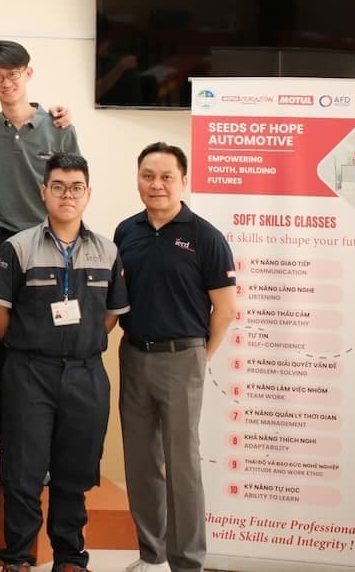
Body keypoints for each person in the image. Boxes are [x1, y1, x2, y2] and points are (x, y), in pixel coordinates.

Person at [0, 154, 127, 572]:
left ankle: (69, 557)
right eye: (58, 187)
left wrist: (81, 344)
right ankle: (19, 558)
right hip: (30, 374)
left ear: (87, 193)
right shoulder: (18, 247)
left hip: (86, 376)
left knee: (73, 473)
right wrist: (29, 347)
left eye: (76, 187)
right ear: (43, 192)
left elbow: (112, 314)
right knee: (23, 474)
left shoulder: (107, 250)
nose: (67, 195)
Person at [115, 143, 237, 572]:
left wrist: (200, 357)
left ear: (183, 180)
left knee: (181, 465)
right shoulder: (125, 232)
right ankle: (152, 555)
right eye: (148, 175)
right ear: (138, 179)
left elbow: (225, 310)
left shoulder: (206, 236)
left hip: (183, 358)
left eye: (166, 176)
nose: (157, 184)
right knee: (141, 461)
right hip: (133, 356)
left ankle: (187, 561)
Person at [0, 40, 80, 482]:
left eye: (12, 73)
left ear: (28, 74)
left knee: (50, 345)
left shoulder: (58, 126)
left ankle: (44, 447)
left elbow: (72, 187)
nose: (5, 82)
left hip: (49, 245)